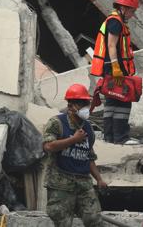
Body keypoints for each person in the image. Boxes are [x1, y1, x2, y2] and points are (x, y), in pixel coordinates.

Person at [43, 84, 107, 227]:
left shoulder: (88, 128)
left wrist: (99, 179)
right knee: (63, 222)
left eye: (86, 104)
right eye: (81, 104)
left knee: (94, 220)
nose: (86, 107)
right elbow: (48, 146)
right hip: (61, 185)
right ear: (71, 106)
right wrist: (73, 139)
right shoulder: (57, 123)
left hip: (84, 183)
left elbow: (89, 157)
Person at [90, 0, 139, 144]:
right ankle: (121, 138)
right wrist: (116, 67)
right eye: (132, 11)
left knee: (112, 101)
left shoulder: (114, 20)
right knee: (123, 101)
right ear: (124, 8)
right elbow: (111, 45)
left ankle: (109, 138)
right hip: (114, 68)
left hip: (110, 68)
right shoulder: (115, 22)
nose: (132, 14)